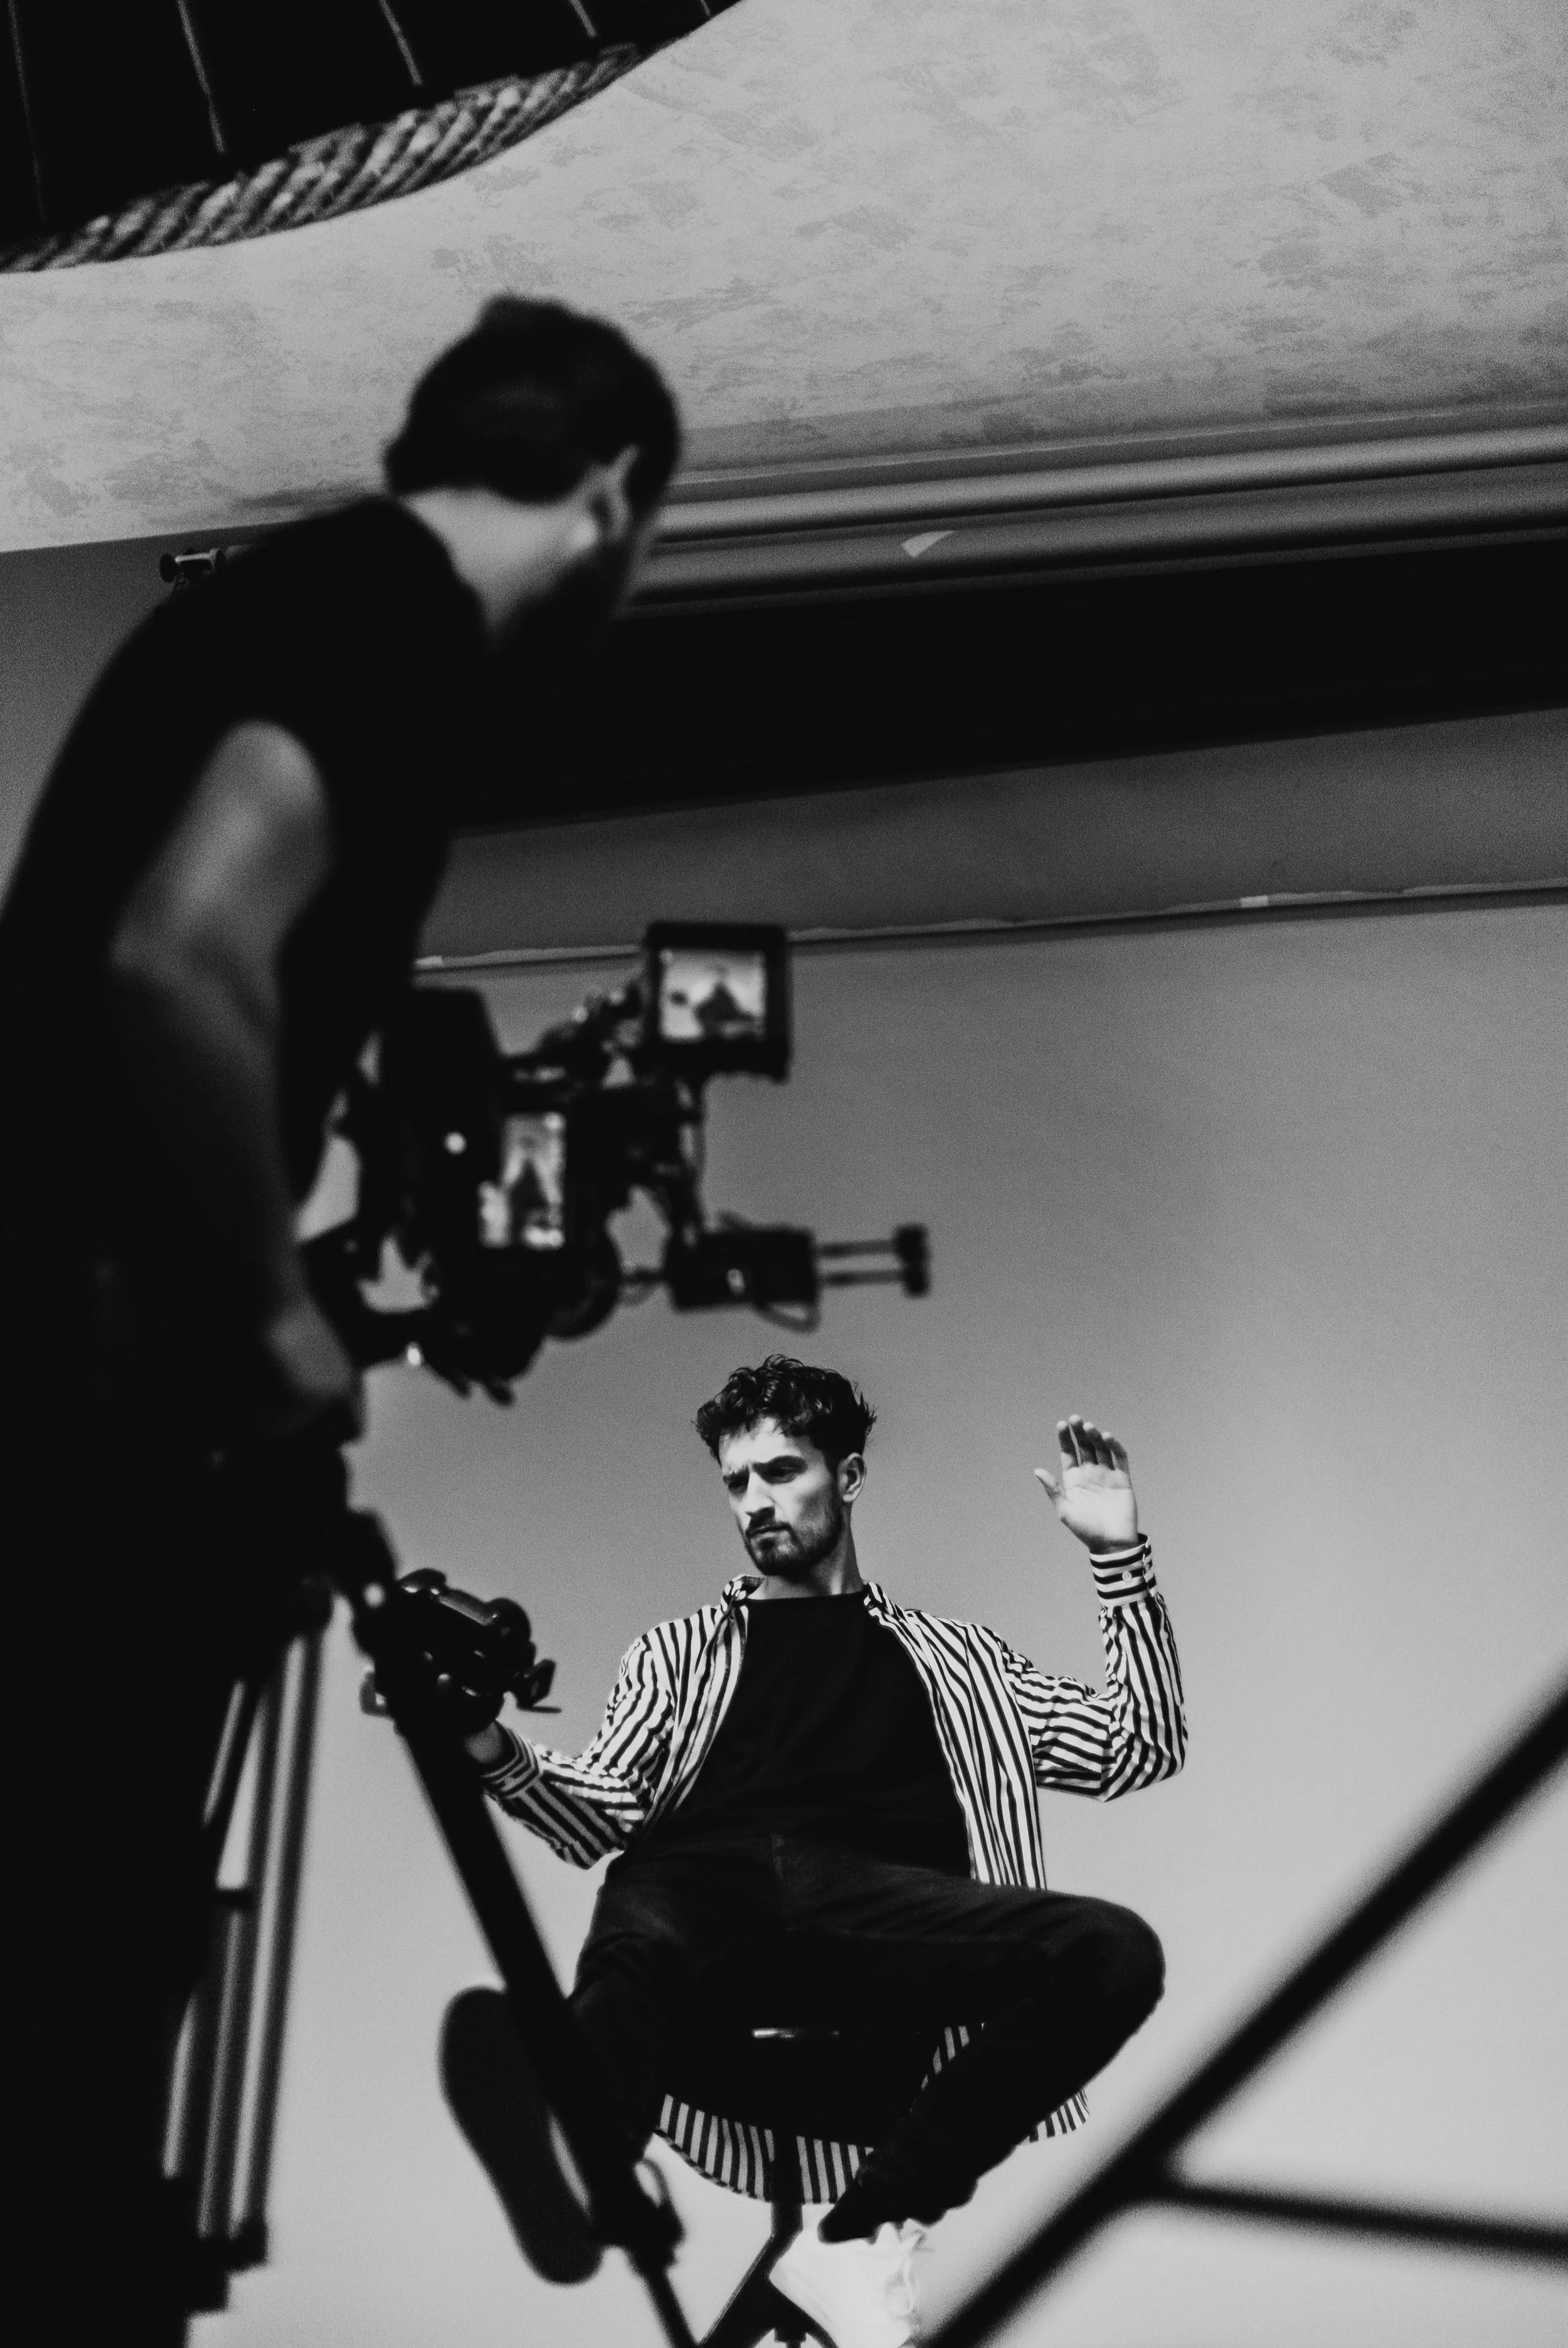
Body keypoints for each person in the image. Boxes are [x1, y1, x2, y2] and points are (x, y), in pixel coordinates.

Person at [0, 295, 680, 2344]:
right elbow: (178, 955)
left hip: (75, 1347)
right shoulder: (389, 628)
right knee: (84, 1950)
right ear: (614, 498)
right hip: (83, 1375)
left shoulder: (298, 605)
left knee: (86, 1933)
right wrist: (281, 1322)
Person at [461, 1355, 1187, 2348]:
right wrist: (485, 1741)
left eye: (781, 1472)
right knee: (657, 1884)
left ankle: (858, 2239)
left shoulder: (962, 1660)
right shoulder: (680, 1652)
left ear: (846, 1475)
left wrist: (1120, 1558)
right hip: (712, 1931)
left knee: (1115, 1950)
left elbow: (1136, 1743)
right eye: (736, 1482)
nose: (755, 1502)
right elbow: (598, 1812)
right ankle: (590, 2145)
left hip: (886, 1942)